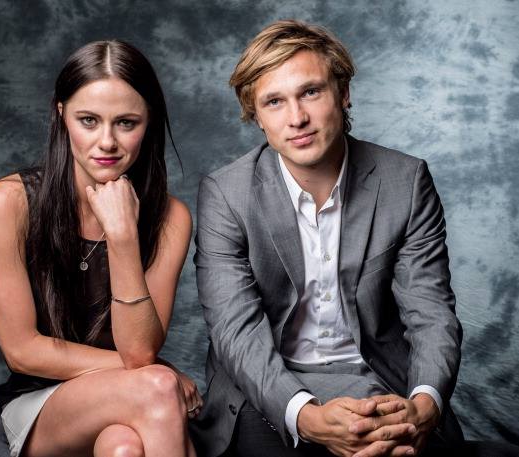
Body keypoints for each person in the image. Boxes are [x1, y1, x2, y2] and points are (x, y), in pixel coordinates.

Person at [191, 20, 463, 457]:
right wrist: (308, 418)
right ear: (256, 116)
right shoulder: (226, 195)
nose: (296, 118)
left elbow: (431, 314)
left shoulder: (406, 181)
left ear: (343, 93)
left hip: (381, 380)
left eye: (311, 92)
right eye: (274, 102)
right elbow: (236, 333)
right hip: (271, 388)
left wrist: (423, 405)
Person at [0, 40, 201, 457]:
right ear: (61, 115)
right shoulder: (10, 201)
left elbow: (139, 350)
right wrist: (157, 370)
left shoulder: (171, 218)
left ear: (149, 122)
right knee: (158, 386)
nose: (107, 142)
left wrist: (122, 236)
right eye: (88, 120)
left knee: (124, 447)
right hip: (39, 401)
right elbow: (21, 351)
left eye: (126, 123)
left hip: (132, 394)